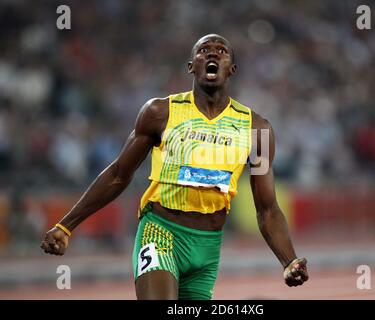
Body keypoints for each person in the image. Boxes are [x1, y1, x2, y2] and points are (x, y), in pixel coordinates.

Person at [40, 34, 309, 300]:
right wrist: (66, 226)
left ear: (232, 69)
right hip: (160, 233)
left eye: (221, 51)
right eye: (204, 50)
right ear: (192, 65)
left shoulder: (257, 130)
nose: (213, 54)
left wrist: (288, 261)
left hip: (207, 247)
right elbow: (118, 174)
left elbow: (267, 209)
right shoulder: (160, 112)